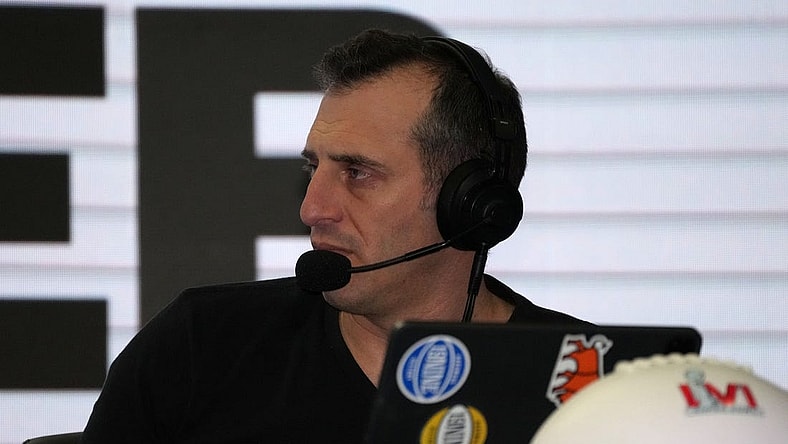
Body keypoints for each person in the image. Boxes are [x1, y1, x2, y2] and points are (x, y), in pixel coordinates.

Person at [82, 29, 586, 443]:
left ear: (471, 204)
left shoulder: (580, 384)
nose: (311, 208)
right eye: (314, 167)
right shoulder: (200, 348)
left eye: (358, 172)